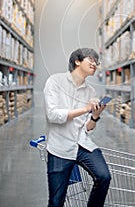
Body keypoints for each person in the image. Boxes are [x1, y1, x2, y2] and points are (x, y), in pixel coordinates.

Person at [44, 47, 111, 207]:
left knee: (104, 176)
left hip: (82, 144)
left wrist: (95, 115)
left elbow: (88, 128)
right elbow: (53, 115)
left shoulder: (91, 91)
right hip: (59, 147)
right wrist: (85, 109)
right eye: (91, 60)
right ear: (77, 61)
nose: (95, 64)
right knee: (56, 200)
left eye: (97, 62)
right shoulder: (55, 81)